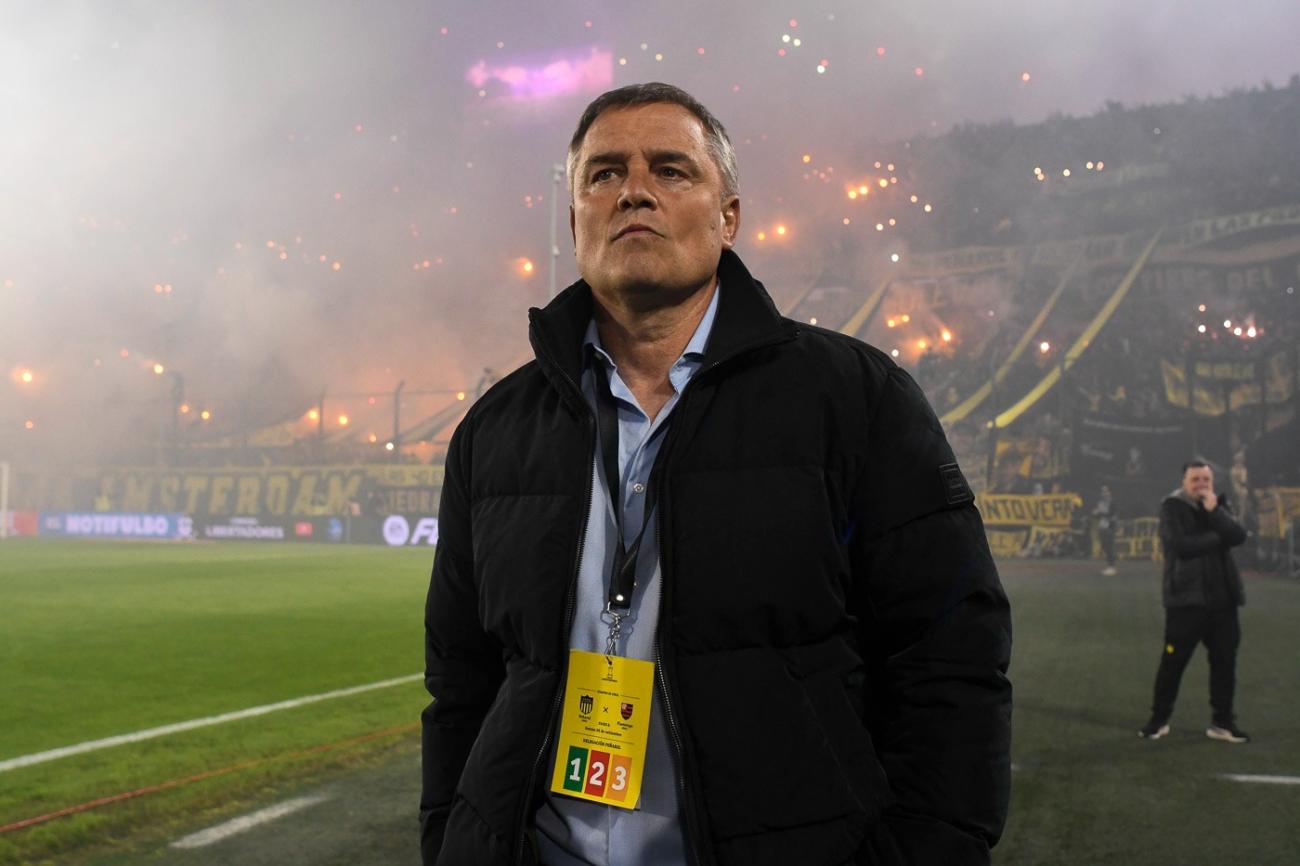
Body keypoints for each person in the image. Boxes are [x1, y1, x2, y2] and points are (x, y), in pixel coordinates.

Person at [420, 82, 1012, 866]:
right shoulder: (494, 432)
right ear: (574, 224)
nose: (633, 189)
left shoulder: (856, 400)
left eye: (671, 170)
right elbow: (461, 685)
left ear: (728, 218)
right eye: (602, 174)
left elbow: (951, 665)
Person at [1139, 460, 1250, 743]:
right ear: (1184, 482)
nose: (1202, 484)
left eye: (1206, 479)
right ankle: (1158, 719)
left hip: (1223, 601)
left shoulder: (1218, 505)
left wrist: (1214, 513)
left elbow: (1238, 536)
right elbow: (1182, 546)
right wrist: (1220, 534)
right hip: (1186, 601)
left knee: (1225, 663)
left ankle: (1222, 723)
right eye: (1195, 479)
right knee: (1173, 662)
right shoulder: (1172, 507)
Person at [1093, 484, 1118, 575]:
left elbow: (1111, 514)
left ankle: (1112, 567)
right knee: (1105, 546)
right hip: (1102, 525)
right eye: (1103, 491)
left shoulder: (1112, 502)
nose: (1104, 493)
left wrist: (1099, 513)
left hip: (1109, 526)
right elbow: (1098, 516)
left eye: (1106, 491)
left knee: (1109, 546)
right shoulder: (1100, 502)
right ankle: (1109, 566)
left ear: (1110, 492)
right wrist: (1096, 514)